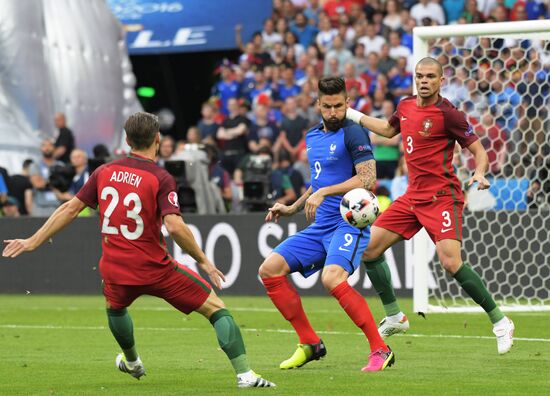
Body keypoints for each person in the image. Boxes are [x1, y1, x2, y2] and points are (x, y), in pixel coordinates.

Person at [2, 112, 275, 389]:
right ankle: (245, 375)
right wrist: (203, 260)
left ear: (127, 139)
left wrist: (33, 241)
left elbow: (70, 208)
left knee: (115, 307)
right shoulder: (160, 177)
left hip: (114, 269)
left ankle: (132, 361)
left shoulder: (103, 172)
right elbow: (176, 227)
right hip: (155, 269)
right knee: (217, 309)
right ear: (158, 139)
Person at [346, 57, 515, 355]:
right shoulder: (406, 106)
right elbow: (387, 130)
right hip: (412, 197)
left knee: (450, 262)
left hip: (441, 197)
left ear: (440, 80)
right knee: (369, 249)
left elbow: (477, 149)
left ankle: (500, 321)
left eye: (429, 77)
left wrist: (479, 171)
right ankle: (395, 316)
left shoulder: (448, 113)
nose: (423, 81)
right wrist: (350, 113)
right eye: (419, 76)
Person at [259, 77, 395, 372]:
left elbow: (367, 178)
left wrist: (323, 192)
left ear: (348, 103)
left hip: (349, 223)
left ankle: (381, 349)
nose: (334, 112)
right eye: (327, 106)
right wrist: (293, 206)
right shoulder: (312, 137)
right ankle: (310, 343)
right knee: (269, 270)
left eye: (339, 106)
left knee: (332, 279)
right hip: (320, 227)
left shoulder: (354, 132)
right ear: (317, 104)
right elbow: (319, 182)